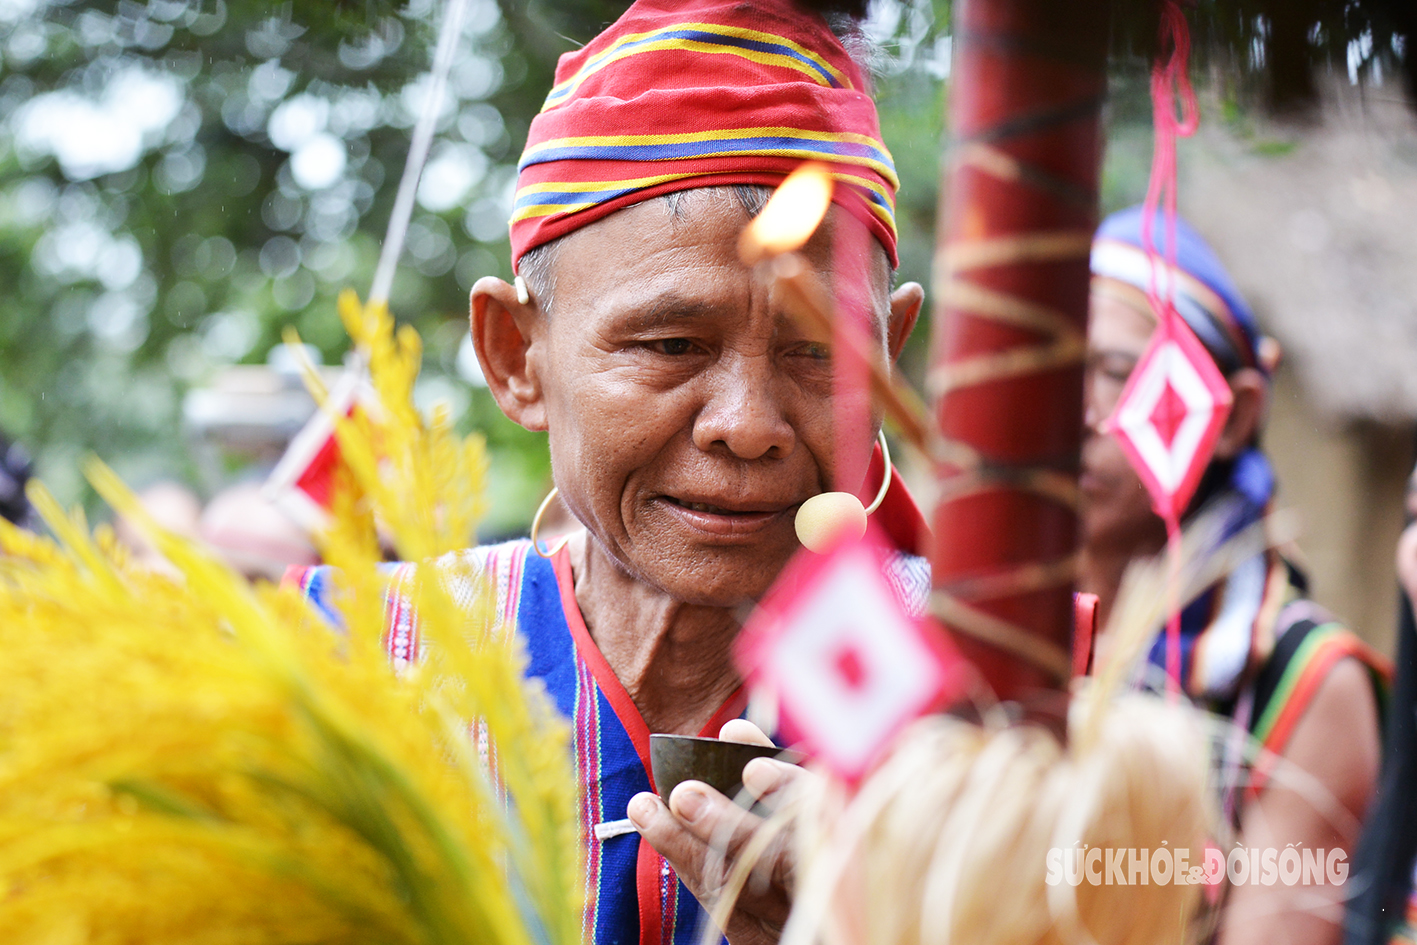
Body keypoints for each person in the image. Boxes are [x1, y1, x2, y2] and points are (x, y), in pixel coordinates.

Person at [291, 2, 926, 943]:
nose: (747, 426)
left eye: (820, 352)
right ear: (515, 356)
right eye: (671, 343)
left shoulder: (1025, 690)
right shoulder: (346, 666)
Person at [1080, 205, 1388, 945]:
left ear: (1233, 416)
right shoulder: (971, 618)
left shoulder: (1303, 683)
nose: (1075, 413)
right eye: (1054, 364)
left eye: (1118, 374)